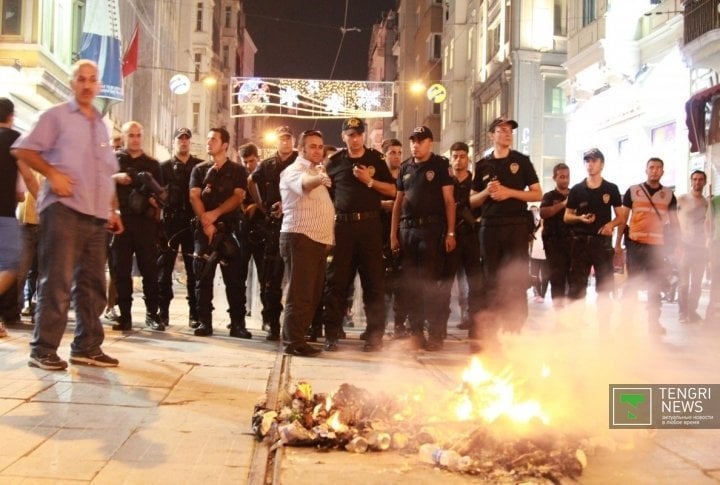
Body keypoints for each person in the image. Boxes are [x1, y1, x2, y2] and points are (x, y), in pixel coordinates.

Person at [12, 60, 123, 368]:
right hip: (63, 211)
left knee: (93, 285)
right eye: (81, 79)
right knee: (57, 283)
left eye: (92, 80)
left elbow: (106, 171)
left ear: (99, 85)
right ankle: (43, 349)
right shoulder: (55, 116)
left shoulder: (101, 123)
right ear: (73, 83)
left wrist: (112, 209)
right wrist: (52, 174)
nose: (87, 85)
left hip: (96, 215)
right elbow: (24, 150)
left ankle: (87, 346)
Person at [321, 117, 396, 352]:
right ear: (343, 136)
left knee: (373, 281)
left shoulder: (375, 159)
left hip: (370, 227)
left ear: (363, 135)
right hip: (342, 227)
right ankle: (332, 334)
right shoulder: (334, 162)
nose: (354, 138)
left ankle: (374, 335)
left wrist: (370, 181)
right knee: (337, 282)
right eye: (350, 134)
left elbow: (393, 190)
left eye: (358, 134)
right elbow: (325, 194)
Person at [470, 117, 541, 343]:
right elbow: (472, 201)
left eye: (509, 130)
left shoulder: (521, 161)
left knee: (516, 277)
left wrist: (509, 192)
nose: (507, 134)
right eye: (501, 130)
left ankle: (515, 328)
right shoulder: (482, 164)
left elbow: (537, 194)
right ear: (492, 135)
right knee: (491, 279)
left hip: (516, 226)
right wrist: (487, 193)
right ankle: (492, 329)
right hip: (490, 227)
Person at [390, 126, 456, 351]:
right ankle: (416, 332)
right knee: (411, 285)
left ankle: (435, 334)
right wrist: (393, 235)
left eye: (420, 141)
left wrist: (450, 232)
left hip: (432, 230)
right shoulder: (405, 167)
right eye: (413, 141)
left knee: (430, 285)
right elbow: (398, 202)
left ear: (430, 142)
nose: (415, 145)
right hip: (407, 231)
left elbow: (449, 201)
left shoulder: (439, 165)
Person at [189, 127, 252, 339]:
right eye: (208, 139)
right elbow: (194, 196)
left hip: (230, 228)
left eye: (213, 139)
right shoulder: (199, 169)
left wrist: (214, 215)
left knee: (234, 279)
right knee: (202, 277)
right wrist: (206, 221)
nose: (208, 142)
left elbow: (238, 197)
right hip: (204, 229)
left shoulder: (237, 170)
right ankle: (204, 322)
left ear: (224, 144)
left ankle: (237, 324)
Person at [279, 129, 335, 357]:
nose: (317, 150)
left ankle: (299, 337)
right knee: (300, 293)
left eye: (320, 146)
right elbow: (305, 184)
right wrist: (319, 178)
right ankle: (292, 341)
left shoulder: (315, 169)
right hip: (299, 237)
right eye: (312, 146)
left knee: (311, 293)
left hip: (316, 241)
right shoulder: (294, 170)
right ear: (301, 149)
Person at [110, 121, 165, 332]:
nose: (135, 139)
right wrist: (116, 177)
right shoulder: (114, 161)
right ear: (124, 137)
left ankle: (153, 314)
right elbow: (101, 182)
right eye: (131, 135)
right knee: (121, 271)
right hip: (121, 222)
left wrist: (154, 200)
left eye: (138, 135)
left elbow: (162, 195)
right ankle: (125, 316)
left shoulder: (152, 164)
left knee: (150, 271)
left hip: (145, 224)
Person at [617, 157, 678, 335]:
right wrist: (617, 245)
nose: (655, 170)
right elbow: (623, 220)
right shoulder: (633, 191)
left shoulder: (668, 195)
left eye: (658, 168)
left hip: (657, 249)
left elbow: (675, 223)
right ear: (646, 170)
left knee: (655, 286)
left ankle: (654, 324)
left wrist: (678, 245)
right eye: (651, 167)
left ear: (662, 172)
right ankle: (626, 322)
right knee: (631, 285)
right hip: (635, 246)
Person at [247, 126, 298, 340]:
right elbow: (251, 181)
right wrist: (261, 206)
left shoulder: (300, 161)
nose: (285, 143)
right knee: (272, 277)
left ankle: (297, 324)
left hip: (297, 222)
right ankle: (272, 322)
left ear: (293, 140)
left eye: (288, 139)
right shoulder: (267, 165)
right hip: (273, 226)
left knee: (297, 276)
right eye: (281, 139)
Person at [564, 148, 623, 324]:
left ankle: (604, 326)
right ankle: (575, 323)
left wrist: (610, 225)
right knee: (577, 286)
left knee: (604, 288)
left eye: (594, 161)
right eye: (587, 161)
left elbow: (621, 217)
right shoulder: (576, 189)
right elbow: (567, 216)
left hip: (602, 244)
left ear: (602, 164)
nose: (590, 165)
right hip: (580, 242)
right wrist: (579, 218)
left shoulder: (611, 189)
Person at [157, 127, 203, 328]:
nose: (183, 142)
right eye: (180, 139)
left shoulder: (198, 166)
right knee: (164, 268)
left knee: (194, 269)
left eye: (186, 139)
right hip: (170, 222)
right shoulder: (164, 167)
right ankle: (163, 311)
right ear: (174, 142)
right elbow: (156, 194)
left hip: (191, 223)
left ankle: (194, 313)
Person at [438, 142, 484, 338]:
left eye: (462, 156)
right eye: (455, 156)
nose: (459, 160)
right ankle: (438, 329)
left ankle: (476, 328)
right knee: (445, 285)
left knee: (475, 286)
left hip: (472, 237)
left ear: (468, 158)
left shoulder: (476, 182)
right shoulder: (446, 182)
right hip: (451, 237)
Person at [1, 98, 38, 336]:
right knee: (11, 264)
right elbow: (28, 175)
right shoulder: (15, 139)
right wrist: (43, 200)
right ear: (12, 116)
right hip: (3, 214)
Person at [237, 142, 270, 336]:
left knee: (265, 277)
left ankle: (267, 318)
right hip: (243, 231)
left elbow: (267, 200)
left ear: (257, 158)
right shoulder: (238, 175)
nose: (249, 165)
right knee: (238, 277)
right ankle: (239, 318)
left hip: (261, 231)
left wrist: (257, 206)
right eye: (245, 161)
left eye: (252, 160)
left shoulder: (263, 175)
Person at [380, 138, 407, 338]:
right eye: (392, 152)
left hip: (402, 232)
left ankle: (399, 324)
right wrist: (382, 204)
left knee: (401, 281)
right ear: (385, 155)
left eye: (399, 152)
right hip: (380, 231)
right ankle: (378, 324)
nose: (396, 156)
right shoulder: (380, 175)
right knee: (380, 282)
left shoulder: (407, 174)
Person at [676, 170, 708, 323]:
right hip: (684, 246)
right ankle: (683, 313)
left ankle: (692, 311)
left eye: (700, 179)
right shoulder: (681, 199)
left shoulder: (707, 202)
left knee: (696, 284)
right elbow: (672, 221)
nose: (697, 182)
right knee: (683, 284)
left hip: (701, 248)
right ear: (691, 181)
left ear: (704, 182)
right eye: (695, 179)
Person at [540, 163, 572, 307]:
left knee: (574, 280)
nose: (565, 180)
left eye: (567, 177)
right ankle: (558, 312)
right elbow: (543, 213)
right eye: (561, 177)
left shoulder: (575, 194)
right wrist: (563, 204)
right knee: (557, 279)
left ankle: (573, 314)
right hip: (554, 244)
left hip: (573, 243)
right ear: (555, 178)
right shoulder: (549, 196)